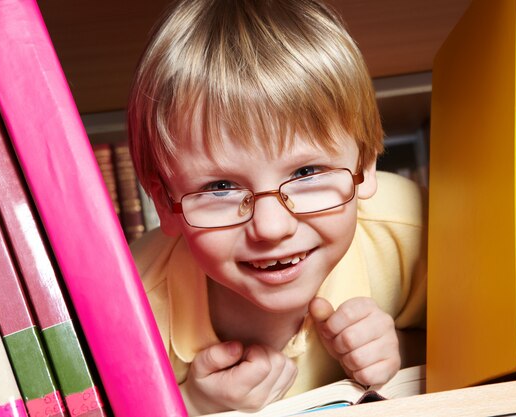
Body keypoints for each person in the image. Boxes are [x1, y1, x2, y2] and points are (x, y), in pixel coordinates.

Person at [127, 0, 427, 414]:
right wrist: (192, 405)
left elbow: (506, 352)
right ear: (166, 204)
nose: (270, 227)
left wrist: (406, 351)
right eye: (220, 187)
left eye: (306, 172)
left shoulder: (417, 229)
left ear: (365, 165)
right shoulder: (132, 303)